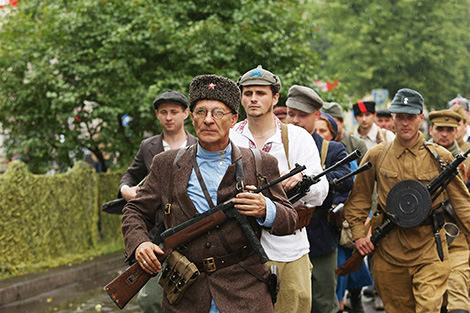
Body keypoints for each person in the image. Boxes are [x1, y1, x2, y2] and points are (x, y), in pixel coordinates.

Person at [121, 74, 298, 313]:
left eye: (218, 113)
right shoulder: (166, 164)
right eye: (201, 112)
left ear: (234, 119)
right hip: (185, 294)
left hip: (246, 293)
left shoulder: (260, 163)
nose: (208, 120)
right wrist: (140, 243)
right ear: (191, 117)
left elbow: (289, 219)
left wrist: (266, 209)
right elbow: (135, 210)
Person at [344, 88, 470, 313]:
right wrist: (358, 235)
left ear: (421, 118)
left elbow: (463, 204)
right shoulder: (376, 155)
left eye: (410, 117)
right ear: (393, 118)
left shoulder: (441, 157)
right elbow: (359, 199)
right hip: (389, 252)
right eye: (399, 116)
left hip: (430, 248)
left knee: (428, 308)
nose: (404, 123)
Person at [230, 67, 329, 313]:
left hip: (289, 248)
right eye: (248, 93)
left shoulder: (297, 138)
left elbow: (322, 192)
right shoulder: (229, 138)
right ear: (241, 98)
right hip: (238, 251)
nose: (253, 98)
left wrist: (301, 180)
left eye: (261, 93)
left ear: (275, 98)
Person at [118, 90, 197, 313]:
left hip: (190, 229)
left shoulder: (199, 145)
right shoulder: (148, 146)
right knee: (151, 299)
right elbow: (130, 175)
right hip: (155, 231)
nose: (169, 117)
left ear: (186, 114)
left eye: (174, 112)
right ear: (157, 115)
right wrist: (127, 191)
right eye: (164, 112)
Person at [284, 85, 353, 313]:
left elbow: (345, 179)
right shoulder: (277, 146)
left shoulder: (330, 149)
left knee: (323, 301)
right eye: (291, 114)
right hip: (283, 236)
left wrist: (310, 179)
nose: (295, 121)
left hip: (319, 236)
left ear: (316, 116)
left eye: (302, 115)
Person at [428, 109, 470, 313]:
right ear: (431, 130)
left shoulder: (466, 158)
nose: (444, 134)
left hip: (459, 235)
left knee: (457, 286)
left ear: (457, 130)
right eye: (440, 129)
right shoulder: (421, 154)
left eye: (449, 129)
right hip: (423, 237)